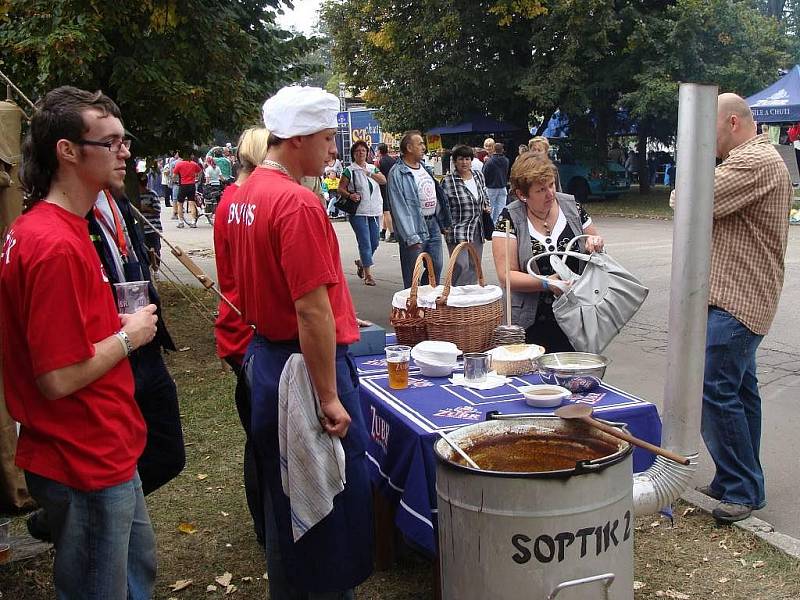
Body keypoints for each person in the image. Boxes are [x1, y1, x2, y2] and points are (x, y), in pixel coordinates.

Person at [1, 85, 158, 599]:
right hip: (83, 456)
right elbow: (58, 377)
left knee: (135, 576)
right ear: (66, 150)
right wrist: (128, 336)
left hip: (105, 447)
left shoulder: (58, 229)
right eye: (110, 142)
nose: (125, 151)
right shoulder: (53, 245)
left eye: (124, 139)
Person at [227, 85, 373, 598]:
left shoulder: (242, 194)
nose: (334, 150)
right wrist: (329, 395)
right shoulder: (296, 202)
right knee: (324, 499)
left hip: (266, 358)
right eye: (329, 138)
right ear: (296, 139)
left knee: (282, 496)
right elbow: (312, 311)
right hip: (302, 366)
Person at [686, 93, 792, 523]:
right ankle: (743, 481)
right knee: (740, 392)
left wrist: (683, 194)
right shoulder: (760, 159)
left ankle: (741, 487)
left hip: (738, 300)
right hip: (743, 297)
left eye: (707, 128)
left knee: (716, 390)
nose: (702, 140)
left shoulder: (752, 162)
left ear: (732, 122)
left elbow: (691, 203)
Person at [213, 126, 271, 546]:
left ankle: (265, 521)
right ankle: (268, 523)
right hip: (250, 331)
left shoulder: (231, 201)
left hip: (238, 327)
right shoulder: (248, 200)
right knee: (264, 435)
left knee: (259, 432)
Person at [491, 153, 603, 352]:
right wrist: (547, 283)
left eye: (551, 185)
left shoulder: (572, 207)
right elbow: (506, 275)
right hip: (530, 323)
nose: (550, 193)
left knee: (576, 377)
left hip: (578, 317)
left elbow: (594, 248)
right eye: (541, 190)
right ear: (522, 195)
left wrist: (595, 244)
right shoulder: (509, 217)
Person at [387, 130, 452, 288]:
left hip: (433, 224)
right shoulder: (397, 173)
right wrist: (411, 236)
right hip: (414, 227)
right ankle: (413, 306)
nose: (424, 147)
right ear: (409, 147)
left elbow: (437, 196)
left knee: (436, 265)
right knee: (412, 274)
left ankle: (425, 297)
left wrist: (443, 223)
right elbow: (398, 207)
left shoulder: (424, 167)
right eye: (420, 144)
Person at [338, 140, 387, 286]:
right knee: (365, 242)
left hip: (374, 211)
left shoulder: (372, 168)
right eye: (358, 151)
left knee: (375, 242)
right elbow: (341, 188)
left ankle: (362, 262)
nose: (361, 153)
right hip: (358, 211)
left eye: (363, 151)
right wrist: (350, 195)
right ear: (353, 154)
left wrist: (370, 173)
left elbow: (383, 180)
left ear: (367, 153)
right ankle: (368, 275)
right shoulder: (349, 170)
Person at [441, 144, 491, 285]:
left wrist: (486, 206)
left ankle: (468, 297)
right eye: (461, 159)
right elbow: (443, 206)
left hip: (477, 227)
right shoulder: (448, 181)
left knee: (475, 265)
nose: (464, 162)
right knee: (461, 265)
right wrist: (444, 225)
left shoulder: (478, 175)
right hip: (457, 229)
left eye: (467, 159)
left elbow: (484, 193)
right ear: (455, 161)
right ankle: (455, 294)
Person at [136, 171, 163, 265]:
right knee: (145, 250)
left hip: (152, 228)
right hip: (141, 228)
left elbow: (157, 210)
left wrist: (146, 208)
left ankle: (156, 268)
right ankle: (148, 268)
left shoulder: (152, 194)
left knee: (155, 249)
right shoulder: (135, 196)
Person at [173, 151, 202, 228]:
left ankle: (181, 222)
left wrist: (175, 180)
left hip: (183, 185)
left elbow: (174, 174)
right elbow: (200, 171)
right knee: (192, 203)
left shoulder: (179, 164)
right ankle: (193, 222)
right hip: (192, 185)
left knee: (180, 203)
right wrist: (197, 179)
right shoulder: (193, 164)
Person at [483, 141, 510, 222]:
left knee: (490, 208)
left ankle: (490, 226)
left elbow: (484, 174)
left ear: (493, 149)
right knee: (501, 208)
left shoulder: (489, 161)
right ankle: (498, 225)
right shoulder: (506, 160)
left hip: (491, 187)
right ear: (502, 150)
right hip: (502, 186)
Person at [376, 143, 396, 242]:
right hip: (393, 186)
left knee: (386, 211)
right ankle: (383, 232)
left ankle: (392, 234)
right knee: (386, 210)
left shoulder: (380, 162)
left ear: (379, 151)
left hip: (383, 187)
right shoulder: (393, 160)